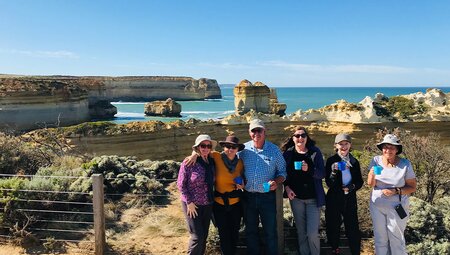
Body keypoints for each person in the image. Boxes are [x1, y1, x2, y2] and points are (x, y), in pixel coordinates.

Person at [184, 135, 246, 255]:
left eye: (234, 147)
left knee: (234, 232)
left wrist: (242, 183)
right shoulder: (217, 156)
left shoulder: (240, 163)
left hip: (236, 203)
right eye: (228, 146)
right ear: (223, 147)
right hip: (219, 204)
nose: (230, 149)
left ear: (238, 149)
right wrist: (194, 154)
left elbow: (243, 178)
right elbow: (202, 150)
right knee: (223, 233)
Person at [238, 119, 286, 255]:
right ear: (249, 132)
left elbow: (283, 172)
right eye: (253, 130)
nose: (256, 133)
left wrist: (276, 182)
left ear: (265, 132)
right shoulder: (243, 150)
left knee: (270, 231)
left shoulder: (274, 150)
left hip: (267, 198)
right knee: (251, 231)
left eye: (259, 130)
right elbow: (229, 160)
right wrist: (196, 155)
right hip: (248, 197)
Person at [367, 134, 417, 255]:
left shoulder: (405, 164)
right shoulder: (375, 160)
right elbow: (370, 184)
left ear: (397, 150)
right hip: (377, 206)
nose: (388, 150)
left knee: (396, 238)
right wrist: (372, 174)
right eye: (385, 147)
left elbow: (412, 187)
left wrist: (395, 191)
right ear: (382, 148)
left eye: (391, 147)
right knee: (380, 238)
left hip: (397, 206)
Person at [281, 126, 325, 255]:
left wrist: (309, 170)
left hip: (313, 199)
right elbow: (283, 174)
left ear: (307, 138)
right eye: (297, 136)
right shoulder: (288, 154)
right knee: (301, 232)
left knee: (312, 233)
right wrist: (287, 188)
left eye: (303, 135)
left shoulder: (314, 152)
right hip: (296, 199)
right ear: (293, 138)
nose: (300, 138)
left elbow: (322, 174)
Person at [177, 134, 217, 255]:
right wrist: (189, 202)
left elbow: (230, 153)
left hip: (207, 203)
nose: (205, 148)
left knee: (204, 236)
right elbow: (180, 184)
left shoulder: (212, 161)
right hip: (192, 205)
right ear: (197, 147)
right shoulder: (189, 162)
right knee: (197, 237)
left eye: (208, 146)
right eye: (202, 145)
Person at [325, 134, 363, 255]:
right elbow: (329, 183)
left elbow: (359, 181)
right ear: (336, 146)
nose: (343, 146)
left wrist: (351, 187)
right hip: (334, 198)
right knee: (333, 225)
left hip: (350, 197)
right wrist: (334, 171)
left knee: (352, 227)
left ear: (350, 145)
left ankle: (355, 251)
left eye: (346, 143)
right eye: (340, 144)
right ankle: (334, 249)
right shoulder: (331, 160)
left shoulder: (354, 161)